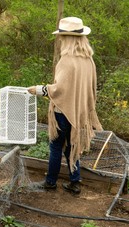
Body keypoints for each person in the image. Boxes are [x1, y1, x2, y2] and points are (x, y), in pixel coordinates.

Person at [27, 16, 103, 195]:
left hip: (62, 111)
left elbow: (60, 89)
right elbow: (90, 88)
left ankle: (50, 183)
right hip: (79, 112)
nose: (60, 40)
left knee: (55, 147)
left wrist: (39, 89)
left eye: (62, 37)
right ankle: (75, 182)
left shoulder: (67, 60)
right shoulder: (88, 60)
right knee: (72, 146)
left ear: (67, 38)